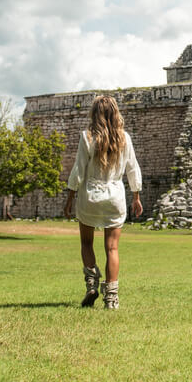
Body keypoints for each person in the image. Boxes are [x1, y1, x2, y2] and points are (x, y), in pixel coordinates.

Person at [63, 95, 143, 309]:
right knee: (112, 248)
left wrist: (70, 197)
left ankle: (91, 283)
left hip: (90, 195)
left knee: (86, 243)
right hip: (114, 196)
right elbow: (132, 168)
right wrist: (136, 196)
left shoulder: (87, 137)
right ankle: (111, 298)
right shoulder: (124, 138)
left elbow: (78, 170)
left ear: (95, 113)